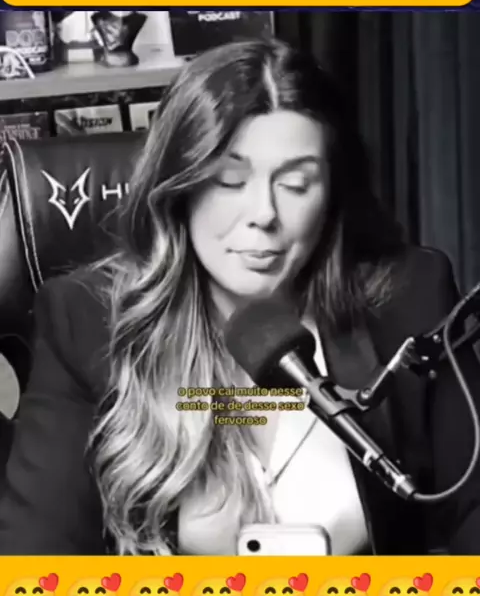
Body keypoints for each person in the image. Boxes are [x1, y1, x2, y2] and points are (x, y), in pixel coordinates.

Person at [0, 37, 479, 557]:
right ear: (179, 188)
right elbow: (38, 569)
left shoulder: (409, 298)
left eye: (296, 184)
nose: (263, 214)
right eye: (230, 180)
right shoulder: (85, 322)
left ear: (332, 194)